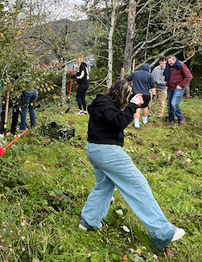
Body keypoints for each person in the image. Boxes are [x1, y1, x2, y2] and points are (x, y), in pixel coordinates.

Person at [79, 79, 185, 251]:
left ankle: (89, 221)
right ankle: (163, 232)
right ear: (120, 93)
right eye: (127, 97)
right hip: (108, 152)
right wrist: (132, 107)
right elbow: (119, 121)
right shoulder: (105, 106)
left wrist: (141, 98)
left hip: (95, 149)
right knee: (138, 185)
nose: (127, 101)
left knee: (104, 186)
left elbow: (138, 103)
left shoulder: (103, 103)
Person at [165, 55, 193, 125]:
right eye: (168, 61)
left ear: (174, 60)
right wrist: (167, 84)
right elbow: (167, 77)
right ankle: (171, 120)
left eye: (170, 61)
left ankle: (181, 118)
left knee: (174, 104)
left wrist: (181, 85)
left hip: (178, 88)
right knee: (169, 105)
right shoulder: (168, 67)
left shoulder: (181, 66)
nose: (169, 63)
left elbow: (189, 76)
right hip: (170, 88)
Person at [126, 64, 156, 128]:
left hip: (136, 93)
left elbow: (127, 79)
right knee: (145, 106)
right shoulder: (150, 75)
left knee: (137, 108)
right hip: (146, 94)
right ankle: (144, 120)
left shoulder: (135, 73)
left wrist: (130, 86)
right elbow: (152, 86)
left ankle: (136, 124)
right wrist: (154, 95)